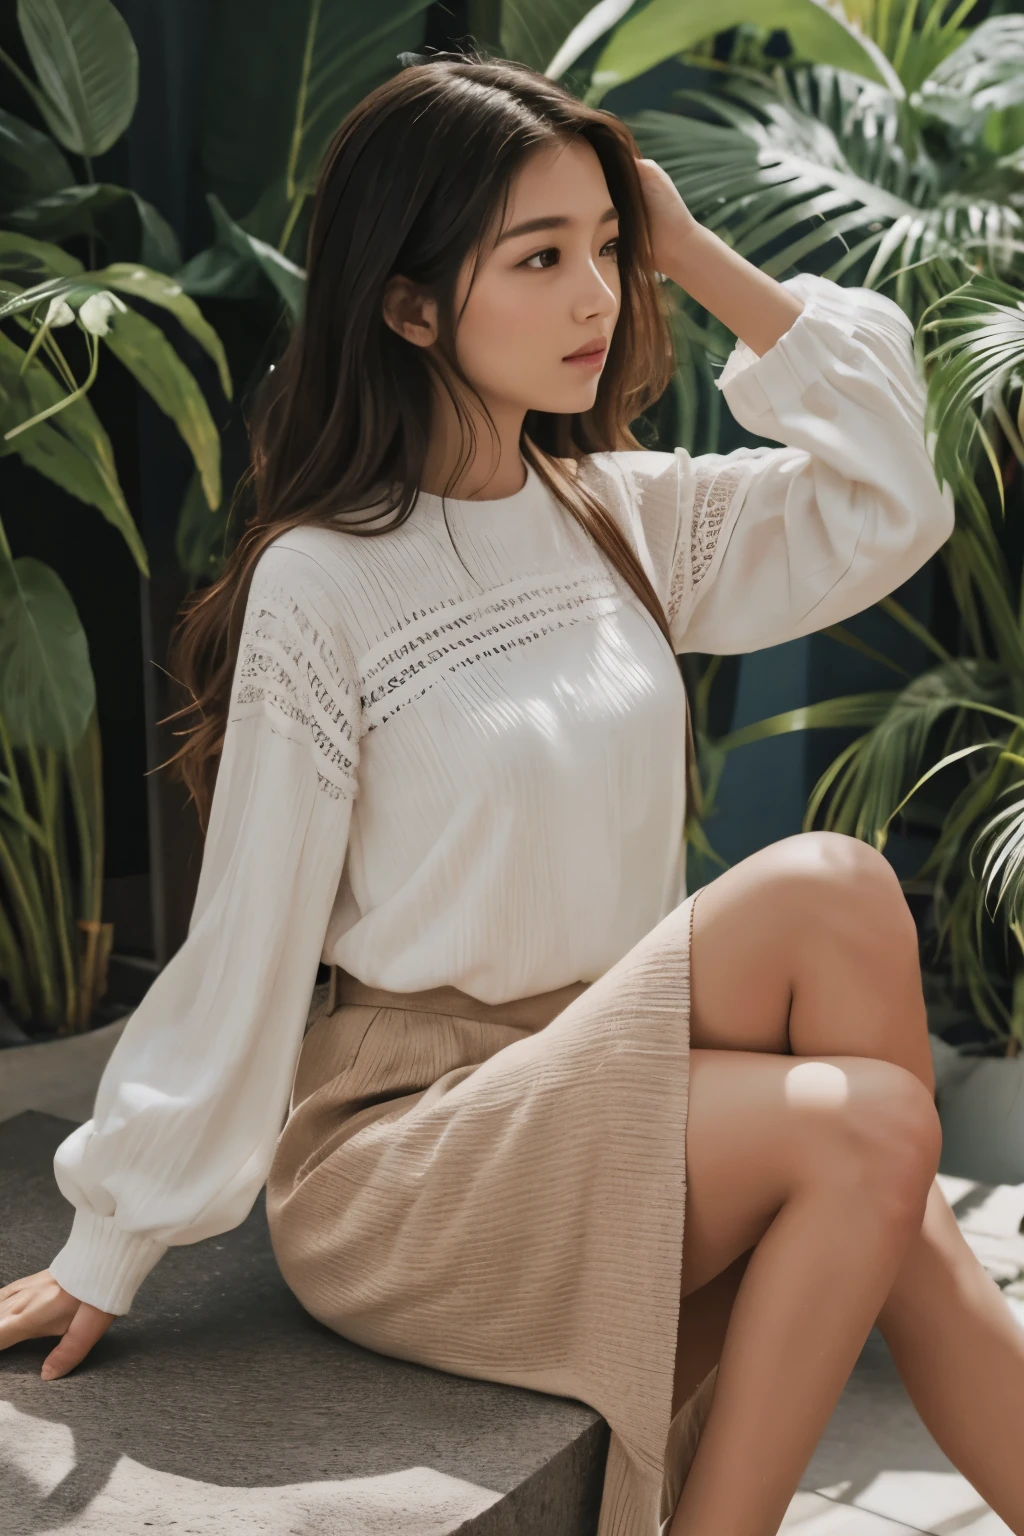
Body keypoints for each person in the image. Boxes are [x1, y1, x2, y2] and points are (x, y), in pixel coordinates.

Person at [2, 48, 1021, 1536]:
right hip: (414, 1149)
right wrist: (109, 1241)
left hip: (606, 1066)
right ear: (410, 306)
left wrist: (689, 247)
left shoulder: (614, 513)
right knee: (873, 1134)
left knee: (841, 898)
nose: (598, 297)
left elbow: (894, 497)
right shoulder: (323, 584)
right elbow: (247, 945)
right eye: (540, 257)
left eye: (607, 249)